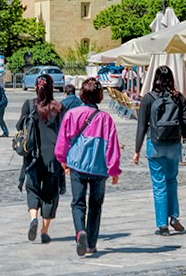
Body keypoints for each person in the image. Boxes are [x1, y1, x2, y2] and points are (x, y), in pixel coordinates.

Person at [55, 77, 122, 257]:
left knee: (77, 203)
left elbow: (63, 139)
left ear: (82, 94)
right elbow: (112, 146)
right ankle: (91, 244)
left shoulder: (72, 114)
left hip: (77, 165)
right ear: (100, 95)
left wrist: (62, 159)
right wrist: (114, 170)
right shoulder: (106, 119)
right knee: (95, 205)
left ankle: (80, 232)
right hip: (99, 168)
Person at [133, 66, 186, 236]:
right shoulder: (178, 97)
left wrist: (137, 150)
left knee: (159, 184)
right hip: (174, 144)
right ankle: (173, 216)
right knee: (172, 180)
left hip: (155, 144)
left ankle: (162, 225)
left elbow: (141, 126)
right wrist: (183, 133)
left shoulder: (148, 98)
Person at [17, 74, 67, 243]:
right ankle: (44, 231)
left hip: (33, 155)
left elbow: (19, 127)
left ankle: (33, 218)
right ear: (52, 88)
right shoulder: (59, 108)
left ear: (36, 87)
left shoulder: (29, 105)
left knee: (32, 189)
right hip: (53, 156)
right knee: (50, 193)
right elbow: (64, 133)